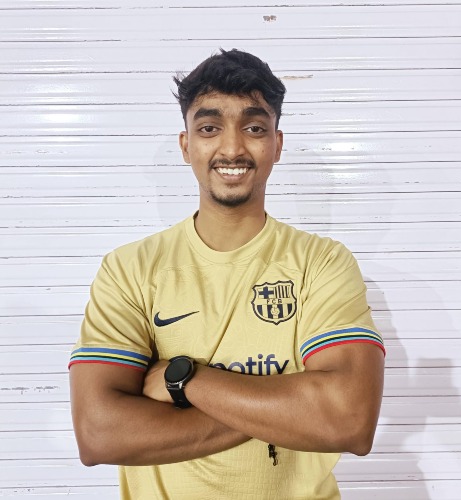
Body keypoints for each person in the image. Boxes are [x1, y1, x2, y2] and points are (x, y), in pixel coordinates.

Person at [69, 48, 385, 499]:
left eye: (254, 128)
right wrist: (289, 407)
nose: (233, 148)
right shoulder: (130, 269)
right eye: (209, 128)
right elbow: (99, 435)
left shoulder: (323, 263)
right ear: (186, 146)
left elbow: (349, 422)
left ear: (277, 144)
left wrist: (184, 379)